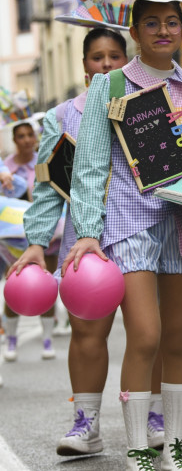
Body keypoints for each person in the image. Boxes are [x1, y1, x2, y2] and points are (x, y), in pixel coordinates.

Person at [66, 0, 182, 471]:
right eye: (152, 23)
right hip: (129, 221)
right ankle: (139, 448)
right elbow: (92, 161)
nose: (163, 30)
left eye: (172, 22)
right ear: (135, 32)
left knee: (178, 341)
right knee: (145, 336)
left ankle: (174, 448)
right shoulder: (111, 85)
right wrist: (88, 231)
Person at [6, 28, 171, 457]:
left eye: (115, 56)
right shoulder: (60, 118)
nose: (106, 64)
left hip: (138, 232)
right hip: (84, 243)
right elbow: (46, 187)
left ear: (127, 59)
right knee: (85, 333)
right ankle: (86, 425)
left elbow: (166, 172)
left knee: (145, 335)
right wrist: (37, 242)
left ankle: (151, 415)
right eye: (97, 57)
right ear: (84, 65)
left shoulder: (145, 109)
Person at [1, 111, 59, 362]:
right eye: (21, 136)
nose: (26, 140)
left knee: (47, 285)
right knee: (14, 284)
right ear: (14, 139)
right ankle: (11, 340)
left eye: (30, 135)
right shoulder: (6, 167)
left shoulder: (45, 160)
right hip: (14, 237)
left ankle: (47, 339)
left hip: (49, 233)